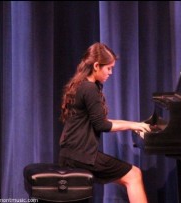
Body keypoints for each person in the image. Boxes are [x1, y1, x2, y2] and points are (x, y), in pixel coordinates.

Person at [58, 42, 151, 203]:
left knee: (131, 176)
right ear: (96, 66)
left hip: (70, 154)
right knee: (134, 175)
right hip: (82, 156)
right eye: (108, 68)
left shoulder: (80, 84)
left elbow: (100, 121)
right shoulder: (90, 88)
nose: (111, 72)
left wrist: (134, 124)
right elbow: (102, 125)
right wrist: (132, 125)